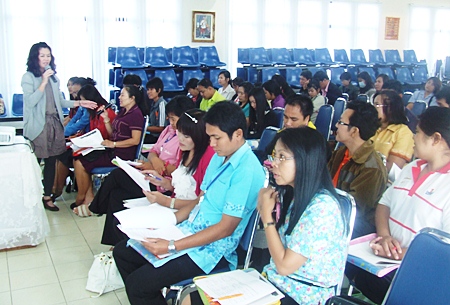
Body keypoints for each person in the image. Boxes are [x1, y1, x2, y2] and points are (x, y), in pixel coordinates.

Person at [113, 101, 265, 305]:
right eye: (210, 136)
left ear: (238, 134)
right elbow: (199, 201)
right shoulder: (220, 157)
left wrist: (172, 245)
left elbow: (225, 229)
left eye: (216, 137)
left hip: (212, 249)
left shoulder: (246, 170)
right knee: (123, 252)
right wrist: (167, 223)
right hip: (189, 230)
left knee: (139, 284)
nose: (211, 144)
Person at [349, 107, 450, 304]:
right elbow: (384, 205)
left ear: (436, 139)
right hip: (384, 261)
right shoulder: (412, 168)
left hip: (416, 273)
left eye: (419, 132)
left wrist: (398, 254)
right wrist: (385, 236)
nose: (414, 136)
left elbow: (444, 251)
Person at [81, 96, 195, 241]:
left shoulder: (187, 138)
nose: (170, 123)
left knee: (117, 176)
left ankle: (95, 209)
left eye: (173, 119)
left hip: (164, 184)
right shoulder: (168, 130)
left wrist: (161, 166)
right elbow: (153, 151)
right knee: (116, 194)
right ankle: (115, 241)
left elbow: (182, 171)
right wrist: (155, 161)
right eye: (169, 119)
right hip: (152, 174)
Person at [258, 127, 349, 305]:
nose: (274, 163)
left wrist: (266, 216)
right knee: (196, 296)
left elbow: (284, 266)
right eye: (274, 155)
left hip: (302, 295)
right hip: (277, 283)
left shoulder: (322, 208)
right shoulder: (296, 195)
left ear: (305, 160)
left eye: (282, 157)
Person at [21, 42, 96, 211]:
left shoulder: (54, 79)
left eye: (48, 55)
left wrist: (79, 101)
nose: (46, 58)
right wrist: (43, 81)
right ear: (35, 57)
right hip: (37, 125)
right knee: (33, 164)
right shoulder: (28, 77)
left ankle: (47, 197)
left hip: (54, 124)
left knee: (51, 162)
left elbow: (59, 102)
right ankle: (30, 198)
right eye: (42, 55)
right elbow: (30, 101)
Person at [72, 85, 145, 208]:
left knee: (80, 163)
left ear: (132, 98)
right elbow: (113, 134)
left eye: (122, 95)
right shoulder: (123, 112)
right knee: (78, 157)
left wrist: (114, 144)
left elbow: (135, 140)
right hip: (112, 149)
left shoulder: (135, 115)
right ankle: (88, 196)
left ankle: (81, 197)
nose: (119, 97)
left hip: (121, 154)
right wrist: (106, 120)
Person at [328, 101, 387, 238]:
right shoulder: (341, 153)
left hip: (354, 227)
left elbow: (354, 210)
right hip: (331, 212)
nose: (336, 125)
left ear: (354, 131)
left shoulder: (371, 168)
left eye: (341, 122)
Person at [141, 109, 215, 205]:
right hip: (176, 205)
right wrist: (161, 181)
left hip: (189, 213)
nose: (180, 139)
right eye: (178, 132)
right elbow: (180, 189)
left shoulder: (209, 157)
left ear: (200, 136)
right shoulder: (184, 151)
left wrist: (167, 202)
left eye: (186, 136)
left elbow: (202, 202)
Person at [53, 84, 114, 200]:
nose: (82, 103)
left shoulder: (104, 111)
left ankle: (74, 194)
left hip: (101, 147)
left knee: (74, 157)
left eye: (83, 100)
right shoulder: (88, 110)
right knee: (62, 153)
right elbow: (76, 122)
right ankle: (56, 188)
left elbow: (102, 135)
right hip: (90, 144)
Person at [371, 90, 414, 172]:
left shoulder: (403, 132)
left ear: (390, 108)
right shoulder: (371, 128)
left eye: (377, 104)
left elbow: (393, 169)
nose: (373, 108)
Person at [145, 77, 166, 143]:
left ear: (159, 90)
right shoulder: (153, 103)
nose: (148, 92)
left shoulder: (162, 105)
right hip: (151, 134)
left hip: (158, 138)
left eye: (151, 89)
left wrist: (143, 128)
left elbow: (161, 128)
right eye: (148, 89)